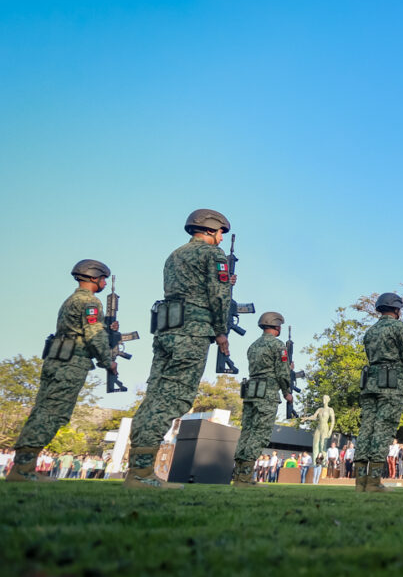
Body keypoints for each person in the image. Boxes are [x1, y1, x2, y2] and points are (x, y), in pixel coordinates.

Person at [125, 210, 233, 490]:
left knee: (155, 396)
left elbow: (190, 287)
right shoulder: (214, 256)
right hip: (193, 331)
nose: (221, 238)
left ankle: (138, 469)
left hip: (167, 328)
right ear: (209, 229)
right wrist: (221, 332)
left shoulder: (175, 255)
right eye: (220, 231)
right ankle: (141, 474)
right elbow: (218, 297)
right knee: (175, 397)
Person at [7, 260, 118, 482]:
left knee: (43, 411)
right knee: (52, 414)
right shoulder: (90, 302)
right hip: (70, 364)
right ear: (94, 277)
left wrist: (106, 328)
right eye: (103, 278)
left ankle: (23, 466)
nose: (105, 282)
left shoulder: (72, 300)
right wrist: (109, 361)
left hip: (56, 359)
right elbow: (93, 337)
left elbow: (80, 328)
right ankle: (23, 470)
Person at [352, 292, 403, 491]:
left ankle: (360, 481)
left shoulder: (370, 331)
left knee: (366, 429)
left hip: (370, 383)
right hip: (391, 383)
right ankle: (373, 482)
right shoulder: (399, 328)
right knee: (383, 429)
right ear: (396, 309)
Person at [231, 311, 293, 486]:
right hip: (267, 392)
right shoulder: (278, 345)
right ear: (276, 326)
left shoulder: (253, 346)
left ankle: (238, 476)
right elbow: (281, 372)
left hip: (251, 391)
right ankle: (244, 478)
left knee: (247, 432)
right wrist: (287, 392)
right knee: (260, 434)